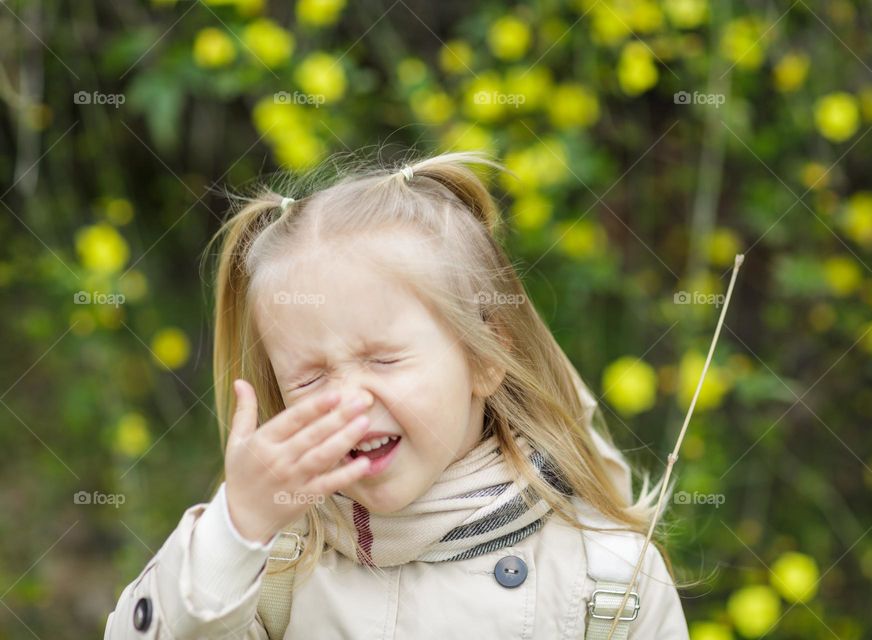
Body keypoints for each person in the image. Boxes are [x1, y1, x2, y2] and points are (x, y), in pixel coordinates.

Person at [104, 151, 689, 639]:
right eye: (307, 379)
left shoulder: (608, 582)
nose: (348, 401)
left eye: (383, 359)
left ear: (484, 356)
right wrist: (237, 529)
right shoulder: (274, 569)